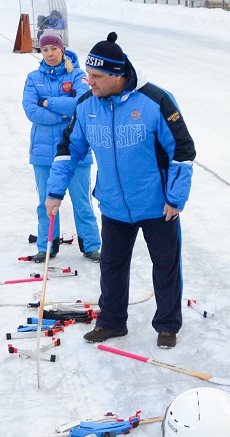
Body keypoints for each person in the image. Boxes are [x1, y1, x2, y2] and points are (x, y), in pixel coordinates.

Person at [50, 32, 195, 351]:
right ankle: (112, 322)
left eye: (97, 76)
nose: (90, 82)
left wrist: (175, 197)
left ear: (118, 75)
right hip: (114, 205)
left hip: (158, 206)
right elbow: (68, 149)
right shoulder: (87, 105)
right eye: (88, 75)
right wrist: (55, 191)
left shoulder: (155, 100)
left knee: (166, 267)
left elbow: (182, 150)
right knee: (112, 267)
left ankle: (167, 325)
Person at [22, 29, 100, 262]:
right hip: (44, 152)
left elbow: (82, 102)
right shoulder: (33, 78)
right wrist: (63, 115)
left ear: (62, 49)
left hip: (76, 150)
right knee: (46, 201)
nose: (49, 53)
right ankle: (47, 246)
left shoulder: (77, 75)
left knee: (82, 201)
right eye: (45, 49)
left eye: (54, 48)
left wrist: (47, 102)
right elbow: (31, 110)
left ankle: (91, 245)